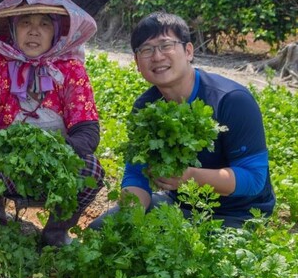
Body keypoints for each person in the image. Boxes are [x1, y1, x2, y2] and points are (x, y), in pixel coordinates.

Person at [0, 0, 104, 246]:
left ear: (56, 32)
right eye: (25, 23)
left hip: (53, 172)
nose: (34, 31)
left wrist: (57, 149)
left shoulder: (70, 70)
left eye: (44, 24)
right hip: (4, 167)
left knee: (91, 169)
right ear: (12, 30)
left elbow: (87, 130)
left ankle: (55, 233)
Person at [91, 12, 274, 229]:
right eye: (146, 50)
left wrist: (191, 176)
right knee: (101, 231)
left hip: (238, 213)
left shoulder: (231, 100)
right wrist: (131, 218)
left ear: (188, 51)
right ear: (137, 63)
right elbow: (136, 174)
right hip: (180, 205)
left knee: (179, 256)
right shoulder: (145, 108)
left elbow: (253, 180)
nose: (157, 56)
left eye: (166, 45)